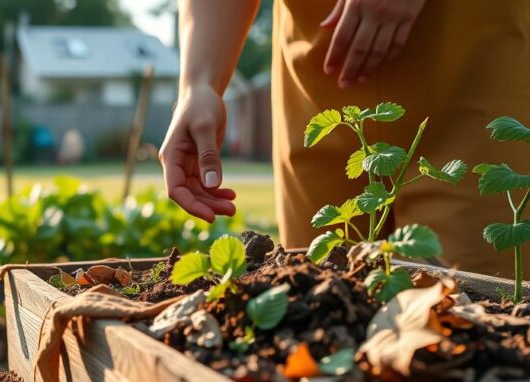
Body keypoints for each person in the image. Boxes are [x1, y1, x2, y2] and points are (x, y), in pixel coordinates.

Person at [160, 0, 530, 277]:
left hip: (474, 70)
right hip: (317, 88)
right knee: (320, 307)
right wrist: (200, 81)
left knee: (478, 315)